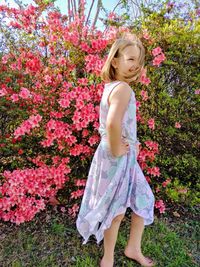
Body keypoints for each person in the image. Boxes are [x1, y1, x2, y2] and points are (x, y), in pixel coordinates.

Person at [76, 33, 155, 267]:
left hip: (121, 155)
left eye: (138, 61)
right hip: (116, 158)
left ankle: (132, 248)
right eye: (130, 59)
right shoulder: (123, 89)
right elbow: (112, 123)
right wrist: (118, 149)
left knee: (143, 198)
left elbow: (119, 124)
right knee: (116, 209)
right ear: (115, 61)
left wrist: (131, 143)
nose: (135, 65)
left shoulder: (112, 87)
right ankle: (108, 258)